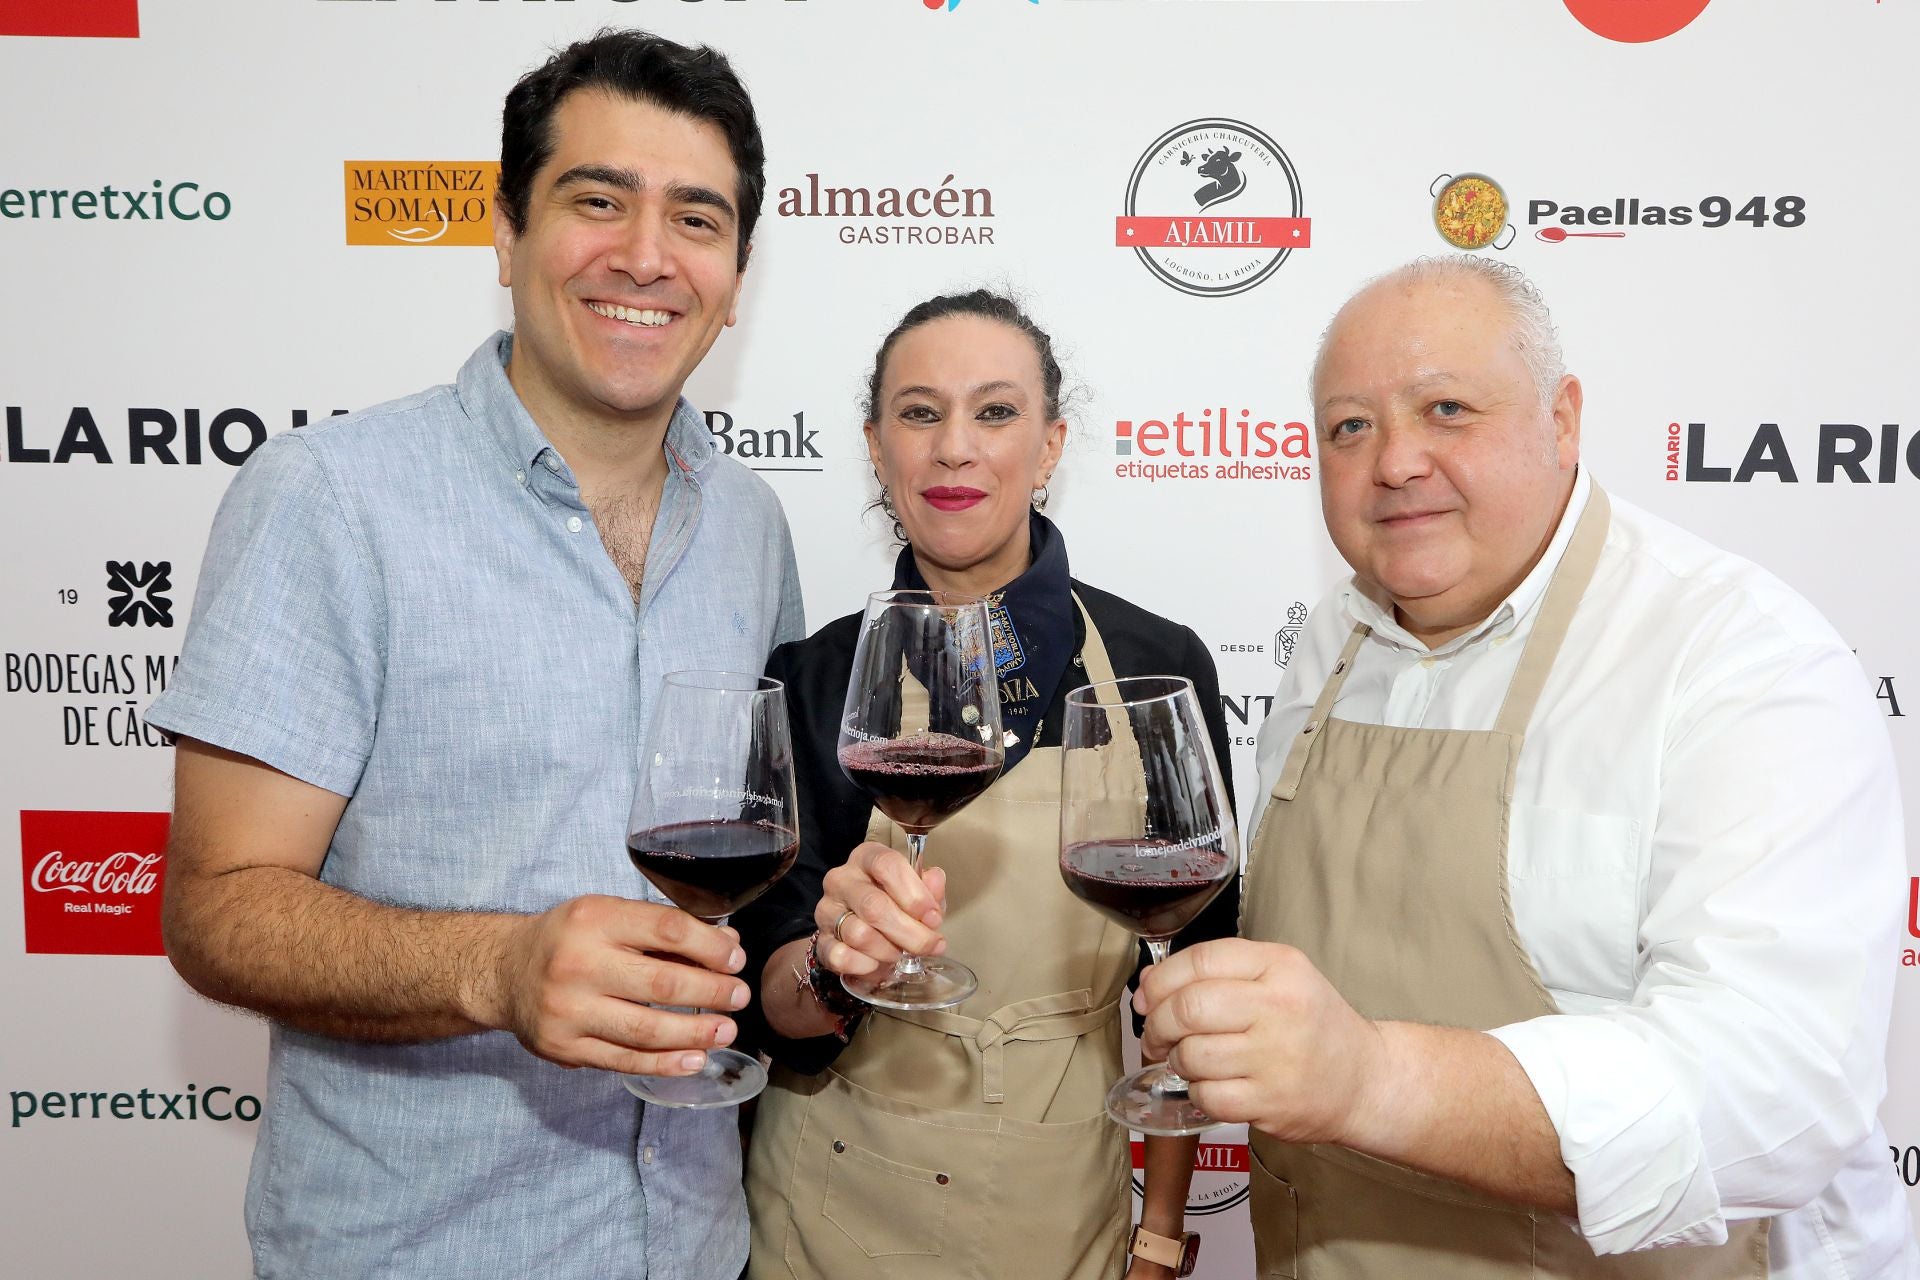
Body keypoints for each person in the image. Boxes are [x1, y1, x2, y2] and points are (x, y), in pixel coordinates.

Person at [148, 30, 801, 1280]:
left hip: (702, 1244)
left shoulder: (752, 526)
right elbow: (215, 905)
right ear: (503, 232)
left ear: (735, 275)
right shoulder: (330, 498)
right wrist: (494, 967)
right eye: (596, 200)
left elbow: (752, 861)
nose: (647, 256)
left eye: (696, 220)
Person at [1134, 255, 1918, 1278]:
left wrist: (1371, 1079)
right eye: (1349, 427)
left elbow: (1778, 1090)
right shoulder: (1331, 636)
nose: (1396, 461)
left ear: (1563, 419)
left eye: (1447, 407)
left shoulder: (1737, 656)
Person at [737, 290, 1237, 1280]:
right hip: (831, 1217)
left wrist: (1163, 1231)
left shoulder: (1153, 665)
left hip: (1064, 1225)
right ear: (878, 448)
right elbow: (773, 1003)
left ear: (1051, 445)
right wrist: (836, 965)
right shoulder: (817, 677)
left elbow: (1195, 985)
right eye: (920, 414)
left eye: (995, 412)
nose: (955, 448)